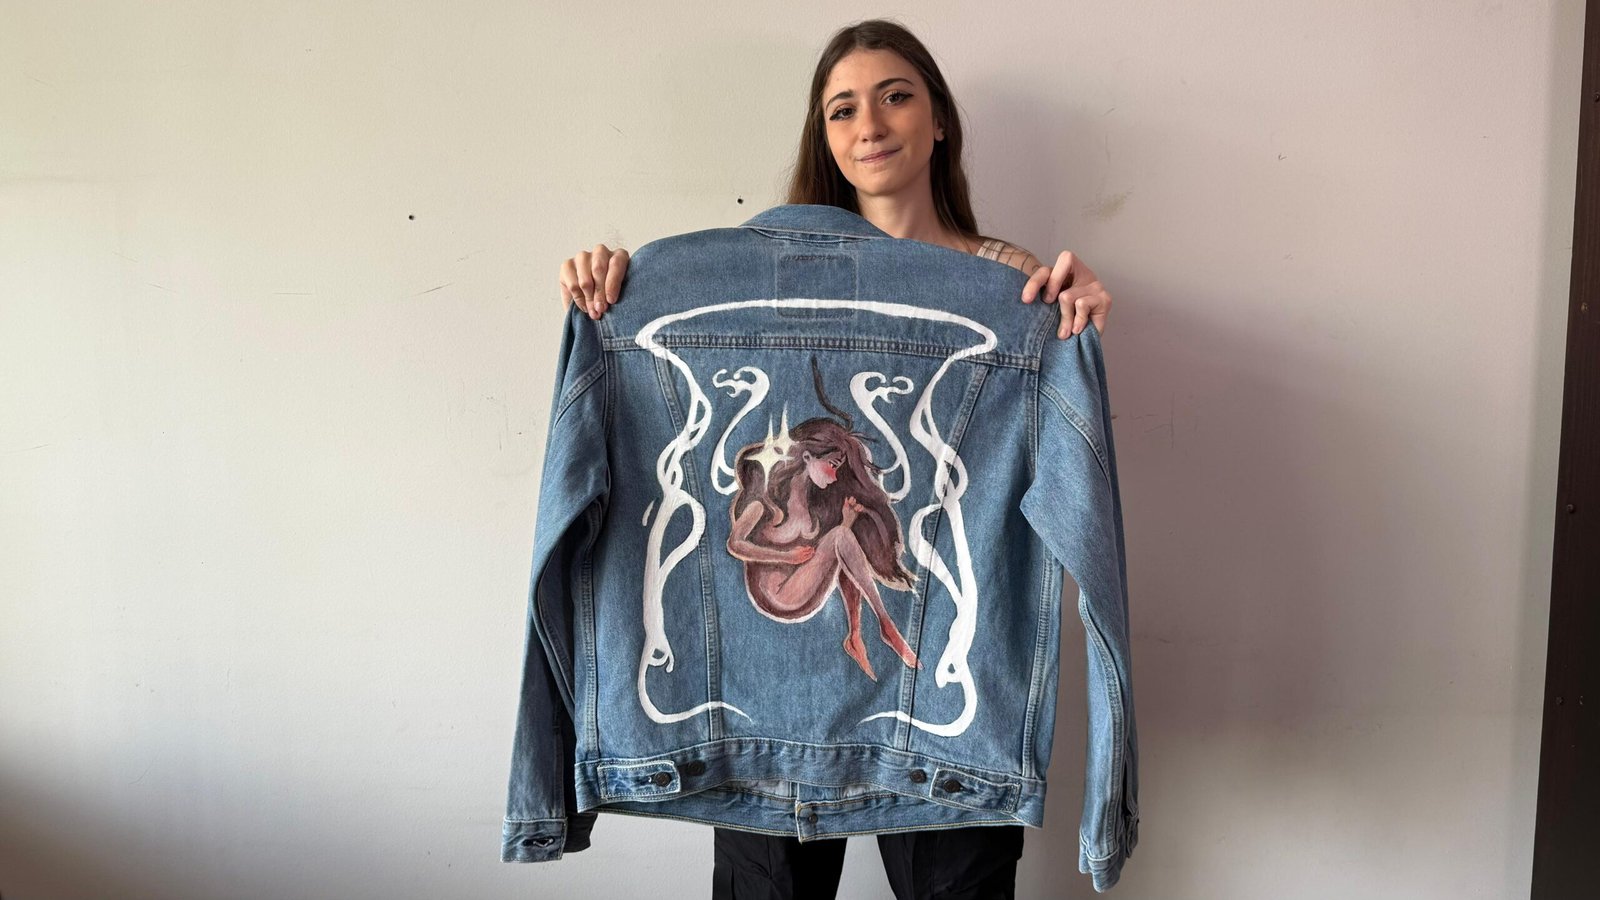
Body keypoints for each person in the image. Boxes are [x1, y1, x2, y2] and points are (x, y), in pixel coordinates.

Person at [552, 18, 1117, 900]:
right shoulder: (737, 282)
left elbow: (1068, 497)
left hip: (938, 729)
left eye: (896, 97)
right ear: (824, 136)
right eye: (843, 109)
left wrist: (1073, 325)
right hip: (765, 708)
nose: (870, 125)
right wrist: (619, 292)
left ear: (939, 119)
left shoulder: (1014, 293)